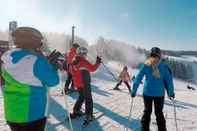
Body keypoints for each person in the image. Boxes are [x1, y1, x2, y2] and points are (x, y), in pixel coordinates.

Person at [1, 27, 59, 131]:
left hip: (12, 113)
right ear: (33, 43)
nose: (40, 47)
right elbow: (53, 81)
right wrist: (50, 66)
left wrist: (43, 62)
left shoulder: (6, 57)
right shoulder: (36, 61)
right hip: (32, 115)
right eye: (39, 44)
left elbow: (25, 73)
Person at [131, 47, 175, 131]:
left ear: (151, 54)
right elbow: (169, 81)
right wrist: (171, 93)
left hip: (147, 93)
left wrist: (134, 90)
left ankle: (144, 129)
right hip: (159, 94)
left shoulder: (146, 64)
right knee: (159, 113)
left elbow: (138, 78)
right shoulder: (163, 66)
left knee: (147, 112)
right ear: (159, 55)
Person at [69, 46, 101, 125]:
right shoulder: (83, 62)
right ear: (82, 53)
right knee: (88, 99)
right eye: (85, 53)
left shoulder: (74, 61)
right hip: (85, 84)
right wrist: (98, 62)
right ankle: (89, 115)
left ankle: (76, 111)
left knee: (81, 97)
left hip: (77, 84)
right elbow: (93, 68)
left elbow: (71, 71)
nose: (85, 55)